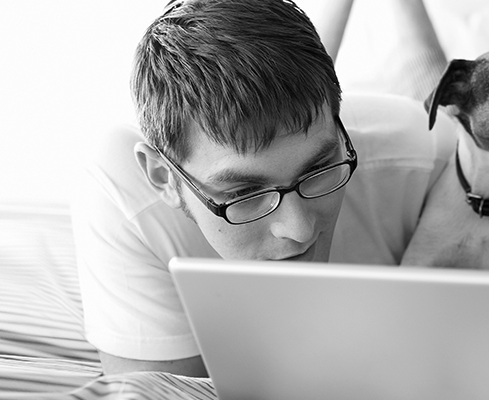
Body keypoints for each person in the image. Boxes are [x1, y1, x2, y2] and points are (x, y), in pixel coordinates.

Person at [71, 0, 453, 377]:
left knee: (432, 78)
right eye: (244, 194)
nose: (300, 231)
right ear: (163, 177)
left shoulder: (430, 154)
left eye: (319, 167)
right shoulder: (121, 193)